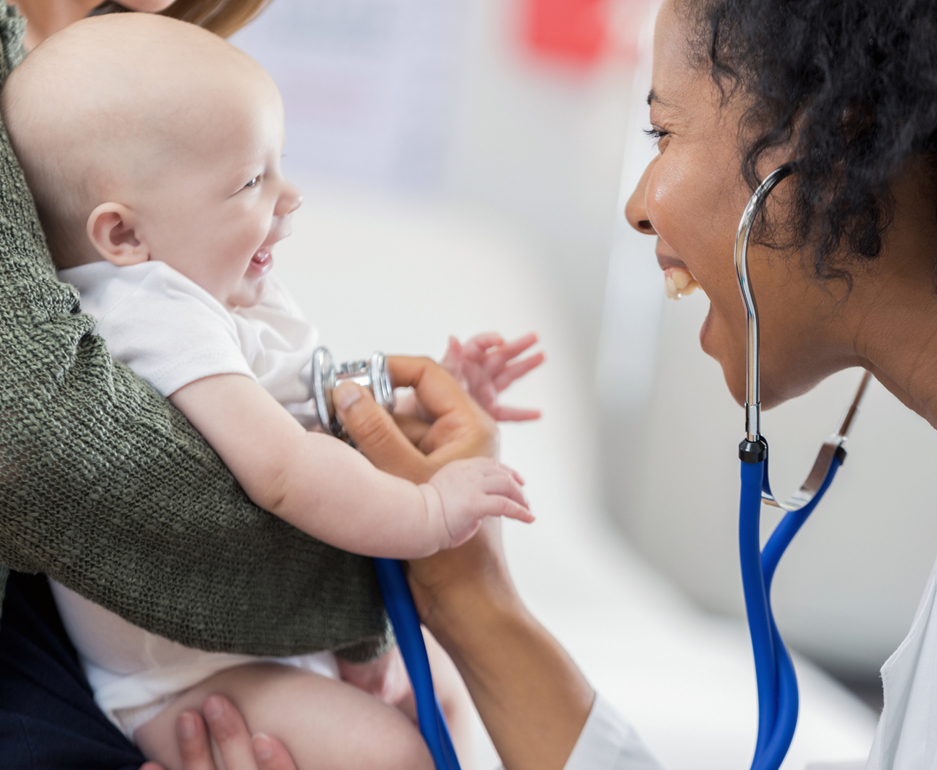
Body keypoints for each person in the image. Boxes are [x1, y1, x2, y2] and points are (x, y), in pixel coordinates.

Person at [2, 12, 547, 770]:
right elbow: (284, 469)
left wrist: (421, 401)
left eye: (279, 166)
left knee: (445, 702)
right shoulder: (146, 311)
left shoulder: (211, 289)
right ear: (122, 236)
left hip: (251, 641)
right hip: (185, 678)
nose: (289, 199)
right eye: (252, 181)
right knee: (391, 753)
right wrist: (427, 512)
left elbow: (305, 395)